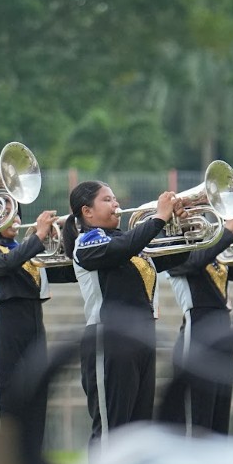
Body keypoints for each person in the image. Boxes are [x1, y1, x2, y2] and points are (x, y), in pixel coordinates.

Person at [61, 181, 188, 449]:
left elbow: (178, 256)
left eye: (115, 199)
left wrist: (182, 227)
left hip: (142, 338)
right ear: (87, 211)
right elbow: (123, 248)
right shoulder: (88, 241)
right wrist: (159, 217)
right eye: (107, 200)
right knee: (112, 432)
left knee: (137, 433)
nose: (116, 204)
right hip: (109, 339)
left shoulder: (129, 244)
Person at [0, 207, 76, 450]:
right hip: (5, 331)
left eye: (16, 214)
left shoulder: (29, 253)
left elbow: (73, 269)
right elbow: (5, 264)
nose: (14, 219)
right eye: (3, 213)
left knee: (36, 410)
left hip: (35, 329)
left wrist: (71, 227)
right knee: (4, 417)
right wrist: (38, 237)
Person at [158, 206, 233, 435]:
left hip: (223, 338)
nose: (194, 222)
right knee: (197, 423)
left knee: (219, 425)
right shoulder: (172, 256)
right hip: (196, 337)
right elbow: (196, 262)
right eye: (186, 219)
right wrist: (228, 231)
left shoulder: (214, 257)